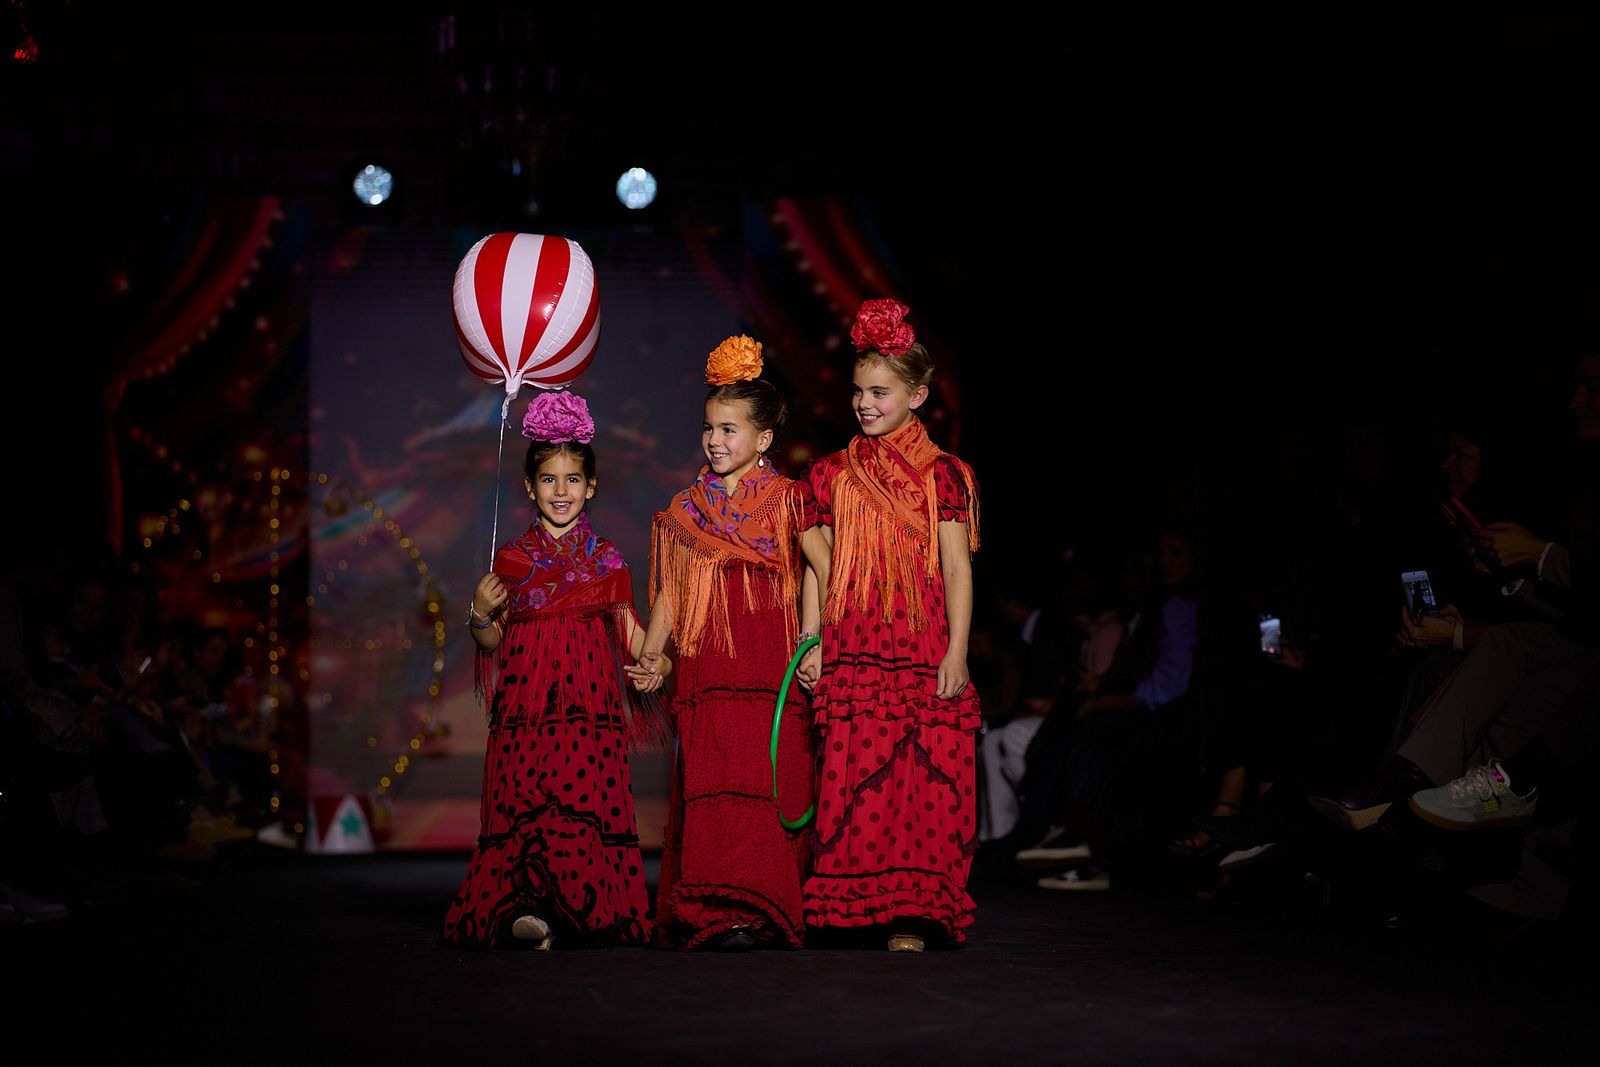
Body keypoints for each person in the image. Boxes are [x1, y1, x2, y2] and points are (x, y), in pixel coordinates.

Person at [443, 391, 668, 950]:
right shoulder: (513, 560)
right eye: (549, 480)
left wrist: (655, 660)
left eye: (572, 480)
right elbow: (491, 642)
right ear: (529, 486)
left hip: (587, 711)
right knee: (527, 804)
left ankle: (581, 910)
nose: (560, 492)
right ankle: (529, 908)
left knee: (581, 806)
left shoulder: (608, 560)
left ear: (590, 486)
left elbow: (630, 632)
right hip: (526, 710)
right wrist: (477, 611)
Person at [801, 299, 982, 952]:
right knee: (855, 773)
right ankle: (855, 906)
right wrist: (810, 638)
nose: (865, 403)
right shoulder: (831, 473)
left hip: (920, 643)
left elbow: (958, 569)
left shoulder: (943, 477)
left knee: (918, 779)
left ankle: (912, 910)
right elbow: (815, 570)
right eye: (858, 391)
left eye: (880, 391)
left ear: (918, 395)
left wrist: (957, 651)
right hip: (855, 645)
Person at [640, 335, 828, 951]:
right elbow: (670, 589)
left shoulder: (789, 501)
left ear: (764, 439)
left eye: (728, 430)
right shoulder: (687, 508)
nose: (715, 441)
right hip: (707, 668)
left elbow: (822, 571)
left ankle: (766, 906)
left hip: (767, 660)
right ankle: (719, 911)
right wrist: (654, 653)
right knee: (715, 785)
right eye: (708, 429)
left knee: (768, 782)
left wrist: (812, 638)